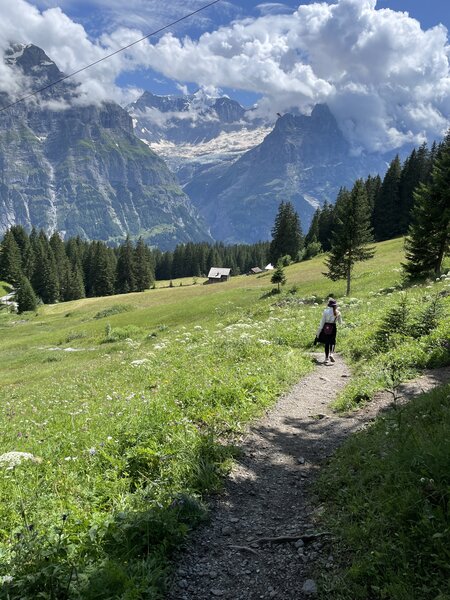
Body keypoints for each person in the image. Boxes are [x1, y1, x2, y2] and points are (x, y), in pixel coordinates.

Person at [316, 298, 342, 364]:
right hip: (333, 328)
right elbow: (340, 323)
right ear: (335, 305)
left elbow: (322, 322)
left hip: (326, 327)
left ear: (329, 305)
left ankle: (326, 358)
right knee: (332, 341)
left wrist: (319, 331)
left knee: (327, 342)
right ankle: (331, 354)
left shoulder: (325, 311)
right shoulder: (338, 312)